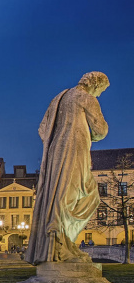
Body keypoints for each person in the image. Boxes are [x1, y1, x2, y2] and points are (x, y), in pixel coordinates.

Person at [27, 72, 110, 264]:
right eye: (101, 91)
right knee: (82, 193)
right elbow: (101, 130)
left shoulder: (60, 97)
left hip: (56, 149)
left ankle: (60, 241)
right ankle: (61, 242)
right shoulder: (85, 97)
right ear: (95, 85)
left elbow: (43, 129)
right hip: (76, 148)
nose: (99, 95)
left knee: (59, 192)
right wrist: (86, 134)